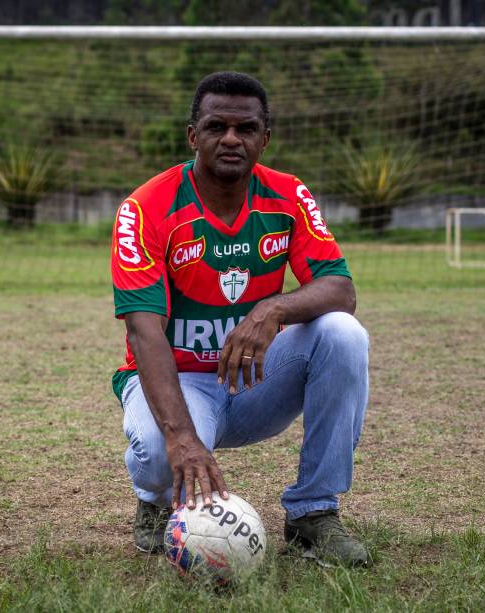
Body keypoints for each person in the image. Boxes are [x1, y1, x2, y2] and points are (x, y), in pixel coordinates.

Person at [109, 72, 370, 567]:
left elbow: (342, 289)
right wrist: (183, 438)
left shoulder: (289, 196)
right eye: (216, 126)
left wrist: (273, 309)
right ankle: (154, 500)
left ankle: (314, 513)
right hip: (179, 381)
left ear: (264, 139)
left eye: (246, 128)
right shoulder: (146, 208)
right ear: (193, 135)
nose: (232, 139)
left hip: (252, 379)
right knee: (162, 453)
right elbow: (144, 332)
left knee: (342, 332)